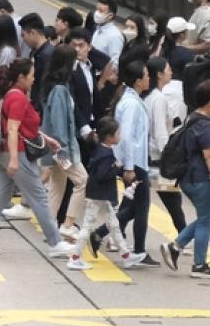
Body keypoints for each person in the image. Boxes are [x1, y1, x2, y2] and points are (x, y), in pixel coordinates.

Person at [0, 59, 77, 258]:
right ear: (21, 77)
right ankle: (55, 243)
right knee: (39, 198)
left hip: (6, 152)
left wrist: (46, 138)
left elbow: (24, 128)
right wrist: (14, 159)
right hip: (15, 153)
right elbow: (12, 129)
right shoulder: (18, 98)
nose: (34, 79)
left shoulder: (12, 95)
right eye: (31, 75)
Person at [157, 80, 210, 279]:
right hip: (199, 178)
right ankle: (199, 264)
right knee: (206, 220)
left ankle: (175, 246)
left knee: (205, 217)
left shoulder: (191, 118)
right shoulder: (206, 126)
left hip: (186, 177)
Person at [102, 60, 157, 266]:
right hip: (134, 164)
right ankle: (139, 250)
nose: (148, 78)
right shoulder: (132, 104)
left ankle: (101, 234)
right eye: (146, 75)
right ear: (138, 81)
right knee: (140, 208)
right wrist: (130, 167)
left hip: (134, 162)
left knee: (134, 206)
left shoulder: (130, 99)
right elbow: (127, 138)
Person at [65, 118, 133, 270]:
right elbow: (103, 175)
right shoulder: (106, 154)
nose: (120, 135)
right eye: (118, 133)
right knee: (92, 226)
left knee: (112, 225)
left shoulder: (101, 150)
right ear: (109, 137)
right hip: (102, 196)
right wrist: (116, 167)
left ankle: (126, 255)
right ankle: (75, 257)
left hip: (97, 194)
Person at [40, 45, 87, 239]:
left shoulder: (56, 86)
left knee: (57, 187)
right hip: (62, 148)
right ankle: (68, 224)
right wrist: (63, 152)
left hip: (56, 148)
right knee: (82, 181)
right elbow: (59, 124)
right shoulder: (60, 90)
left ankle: (50, 228)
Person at [145, 57, 189, 232]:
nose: (171, 72)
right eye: (168, 69)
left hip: (152, 159)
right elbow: (161, 132)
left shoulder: (151, 97)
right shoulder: (158, 99)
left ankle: (103, 234)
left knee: (172, 202)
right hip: (157, 161)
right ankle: (184, 238)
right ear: (160, 74)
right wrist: (167, 157)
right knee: (173, 201)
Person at [90, 0, 124, 64]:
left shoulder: (115, 36)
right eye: (97, 9)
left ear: (110, 16)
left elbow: (114, 63)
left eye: (101, 11)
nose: (96, 13)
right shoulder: (98, 30)